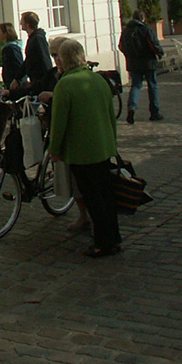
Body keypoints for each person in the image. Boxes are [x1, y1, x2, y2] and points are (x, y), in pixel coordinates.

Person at [47, 38, 120, 258]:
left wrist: (55, 149)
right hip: (103, 147)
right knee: (106, 195)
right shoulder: (98, 80)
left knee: (93, 197)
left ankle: (102, 243)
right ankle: (114, 238)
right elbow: (111, 117)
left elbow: (59, 123)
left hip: (82, 151)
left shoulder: (65, 85)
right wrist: (111, 142)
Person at [118, 9, 163, 124]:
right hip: (148, 62)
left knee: (136, 86)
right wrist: (160, 53)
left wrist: (129, 56)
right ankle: (155, 113)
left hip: (133, 63)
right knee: (152, 86)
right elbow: (153, 44)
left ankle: (132, 108)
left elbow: (121, 46)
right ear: (143, 18)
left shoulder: (126, 30)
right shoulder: (146, 29)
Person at [12, 11, 53, 97]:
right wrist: (17, 78)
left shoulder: (37, 39)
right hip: (36, 81)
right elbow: (28, 61)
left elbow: (45, 59)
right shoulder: (33, 38)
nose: (20, 23)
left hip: (41, 82)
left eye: (22, 21)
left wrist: (48, 80)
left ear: (27, 24)